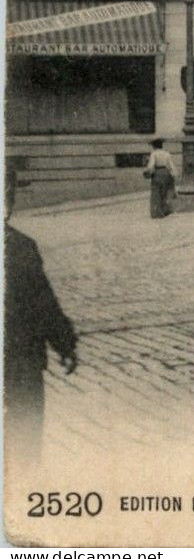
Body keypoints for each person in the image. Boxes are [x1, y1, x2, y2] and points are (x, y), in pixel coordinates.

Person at [5, 174, 78, 473]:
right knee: (24, 443)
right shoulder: (19, 247)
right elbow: (42, 304)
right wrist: (65, 344)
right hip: (20, 361)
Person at [143, 138, 174, 219]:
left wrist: (147, 171)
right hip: (166, 173)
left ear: (154, 146)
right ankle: (165, 210)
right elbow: (171, 165)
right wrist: (173, 175)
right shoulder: (167, 153)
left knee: (156, 193)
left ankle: (157, 212)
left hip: (158, 173)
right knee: (165, 192)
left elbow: (151, 166)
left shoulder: (154, 154)